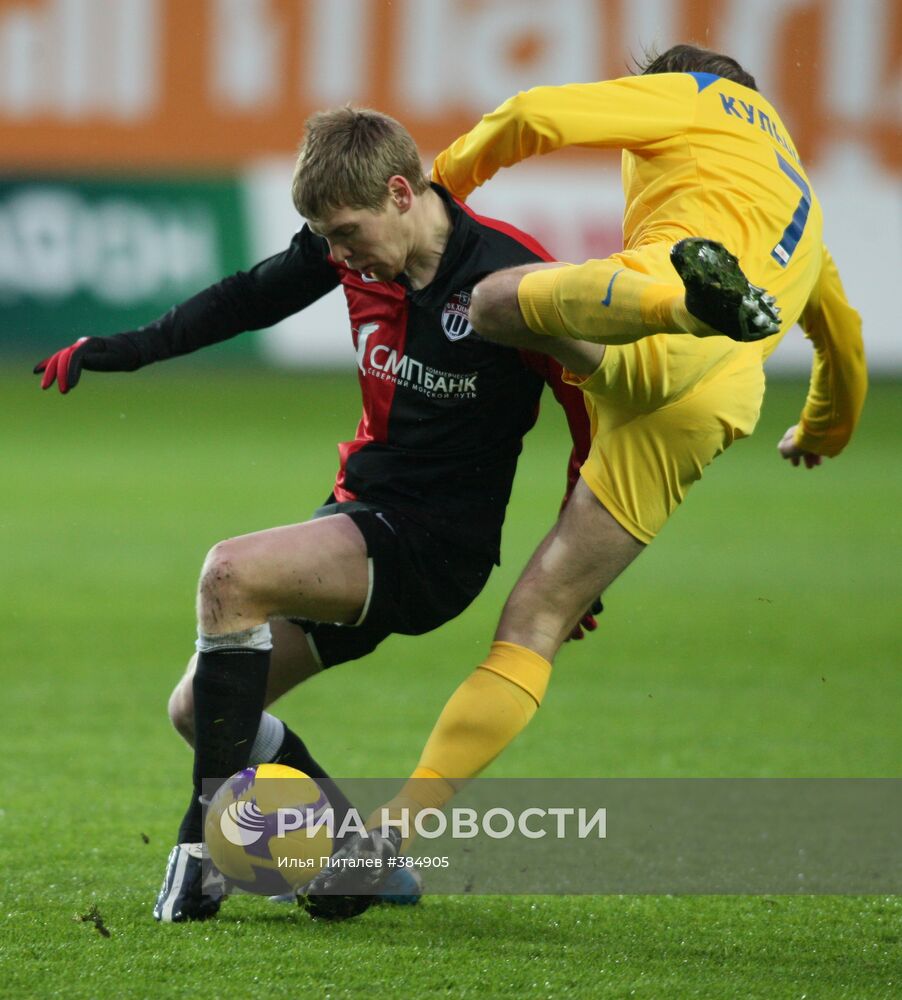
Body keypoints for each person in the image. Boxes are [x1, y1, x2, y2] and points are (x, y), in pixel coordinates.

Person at [302, 44, 867, 918]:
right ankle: (389, 841)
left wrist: (439, 183)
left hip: (656, 315)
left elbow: (535, 115)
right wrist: (821, 431)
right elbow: (843, 343)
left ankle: (690, 298)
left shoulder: (697, 100)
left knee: (492, 303)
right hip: (712, 403)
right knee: (541, 618)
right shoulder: (803, 202)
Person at [34, 107, 600, 922]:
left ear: (401, 192)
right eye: (324, 240)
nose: (337, 257)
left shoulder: (509, 281)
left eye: (345, 235)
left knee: (231, 573)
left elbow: (592, 420)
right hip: (356, 518)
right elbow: (246, 300)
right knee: (201, 712)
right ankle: (351, 863)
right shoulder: (353, 248)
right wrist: (124, 348)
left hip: (433, 547)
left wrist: (580, 566)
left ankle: (201, 851)